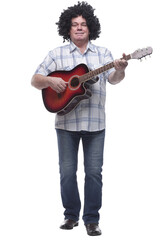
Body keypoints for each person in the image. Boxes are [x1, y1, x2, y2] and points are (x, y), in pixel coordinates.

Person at [31, 1, 128, 236]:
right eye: (74, 25)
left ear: (90, 28)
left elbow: (113, 80)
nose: (79, 28)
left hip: (96, 124)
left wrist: (121, 68)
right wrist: (50, 81)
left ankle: (92, 220)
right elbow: (35, 80)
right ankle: (71, 216)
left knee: (94, 173)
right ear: (68, 29)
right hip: (65, 124)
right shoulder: (56, 54)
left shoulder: (103, 53)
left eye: (83, 24)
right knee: (66, 172)